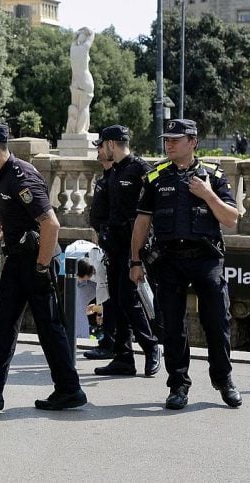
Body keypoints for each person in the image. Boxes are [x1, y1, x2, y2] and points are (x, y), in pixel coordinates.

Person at [0, 122, 86, 411]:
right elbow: (10, 213)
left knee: (49, 328)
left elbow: (51, 223)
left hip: (36, 260)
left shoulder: (20, 175)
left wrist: (41, 267)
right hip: (17, 259)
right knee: (3, 325)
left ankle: (69, 389)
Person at [130, 118, 242, 410]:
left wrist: (207, 194)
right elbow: (142, 222)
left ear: (193, 142)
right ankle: (178, 385)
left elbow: (231, 219)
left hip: (206, 259)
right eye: (167, 139)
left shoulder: (213, 176)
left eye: (176, 139)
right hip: (169, 261)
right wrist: (135, 261)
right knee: (172, 328)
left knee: (217, 323)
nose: (169, 144)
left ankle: (224, 380)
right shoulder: (156, 177)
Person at [92, 125, 161, 377]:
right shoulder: (113, 172)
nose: (101, 149)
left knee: (128, 299)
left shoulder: (140, 169)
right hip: (115, 247)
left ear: (111, 144)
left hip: (134, 248)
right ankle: (124, 357)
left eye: (103, 144)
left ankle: (151, 346)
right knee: (118, 301)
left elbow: (154, 208)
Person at [84, 139, 119, 360]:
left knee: (118, 298)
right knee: (105, 295)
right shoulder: (104, 178)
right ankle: (109, 341)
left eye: (100, 147)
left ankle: (144, 344)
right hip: (104, 245)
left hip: (119, 246)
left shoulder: (120, 176)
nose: (97, 151)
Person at [65, 27, 95, 134]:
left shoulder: (73, 49)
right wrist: (85, 30)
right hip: (85, 79)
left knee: (75, 107)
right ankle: (81, 130)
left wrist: (78, 33)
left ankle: (73, 130)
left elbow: (73, 40)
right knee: (84, 107)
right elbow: (92, 34)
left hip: (75, 80)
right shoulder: (84, 48)